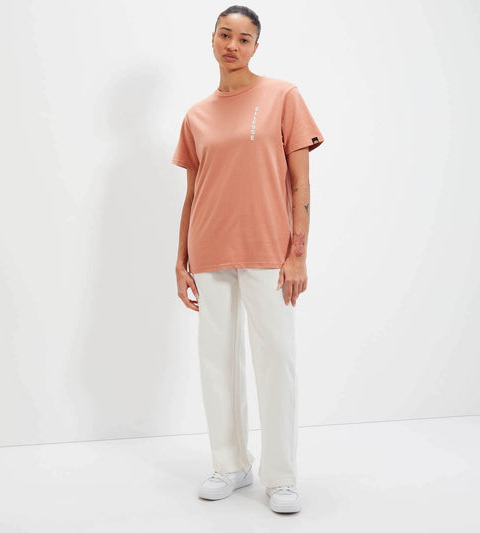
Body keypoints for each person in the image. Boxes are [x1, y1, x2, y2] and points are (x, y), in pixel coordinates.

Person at [172, 5, 324, 514]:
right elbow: (192, 194)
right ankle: (230, 464)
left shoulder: (283, 96)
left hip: (267, 251)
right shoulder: (196, 115)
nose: (232, 45)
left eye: (244, 38)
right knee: (216, 361)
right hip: (209, 250)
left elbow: (301, 183)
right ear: (212, 39)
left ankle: (280, 476)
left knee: (275, 359)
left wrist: (298, 253)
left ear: (256, 46)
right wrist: (180, 260)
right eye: (225, 34)